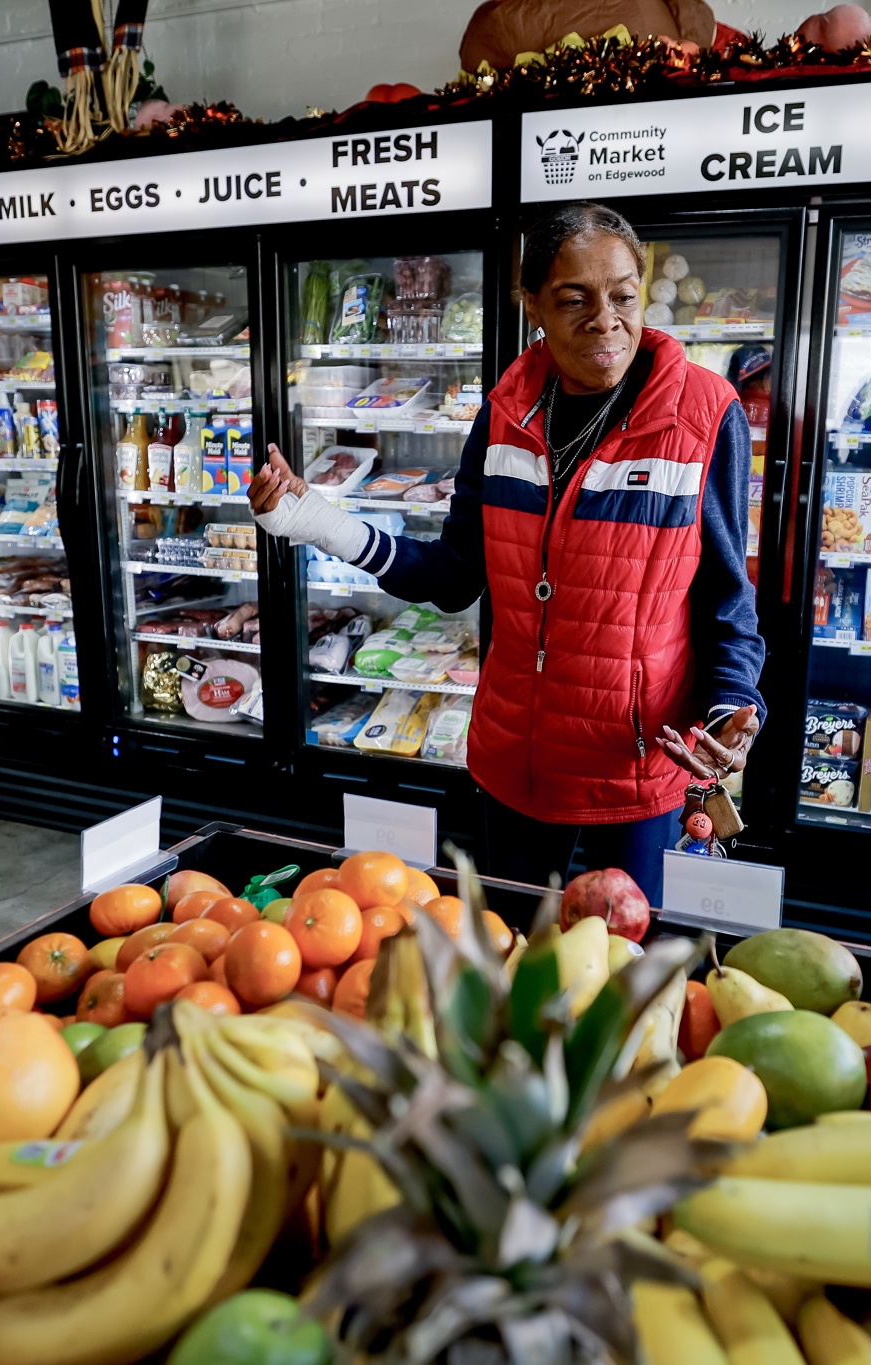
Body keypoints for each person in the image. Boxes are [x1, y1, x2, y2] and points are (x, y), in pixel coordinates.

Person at [250, 201, 765, 901]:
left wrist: (727, 711)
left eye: (622, 295)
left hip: (636, 775)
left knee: (622, 980)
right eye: (573, 299)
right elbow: (453, 575)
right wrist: (316, 521)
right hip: (515, 766)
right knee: (514, 958)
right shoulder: (505, 413)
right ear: (532, 306)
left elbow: (728, 600)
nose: (605, 319)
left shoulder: (703, 415)